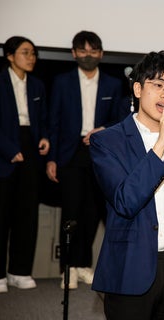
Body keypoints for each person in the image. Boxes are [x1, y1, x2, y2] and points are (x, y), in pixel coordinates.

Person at [89, 50, 164, 320]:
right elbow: (125, 200)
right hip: (130, 267)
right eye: (157, 85)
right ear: (137, 89)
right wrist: (160, 145)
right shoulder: (107, 142)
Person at [46, 30, 123, 290]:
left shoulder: (113, 84)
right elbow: (53, 121)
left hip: (100, 153)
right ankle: (67, 268)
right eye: (82, 50)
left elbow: (120, 120)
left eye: (93, 50)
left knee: (92, 211)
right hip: (70, 153)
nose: (88, 55)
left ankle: (83, 265)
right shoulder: (62, 81)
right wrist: (52, 159)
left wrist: (103, 130)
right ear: (73, 53)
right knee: (72, 210)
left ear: (101, 53)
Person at [0, 36, 49, 293]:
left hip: (31, 151)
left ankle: (19, 271)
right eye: (25, 52)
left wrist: (44, 138)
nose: (31, 57)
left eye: (33, 53)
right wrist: (10, 150)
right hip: (1, 153)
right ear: (10, 56)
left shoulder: (38, 85)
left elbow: (42, 119)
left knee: (27, 215)